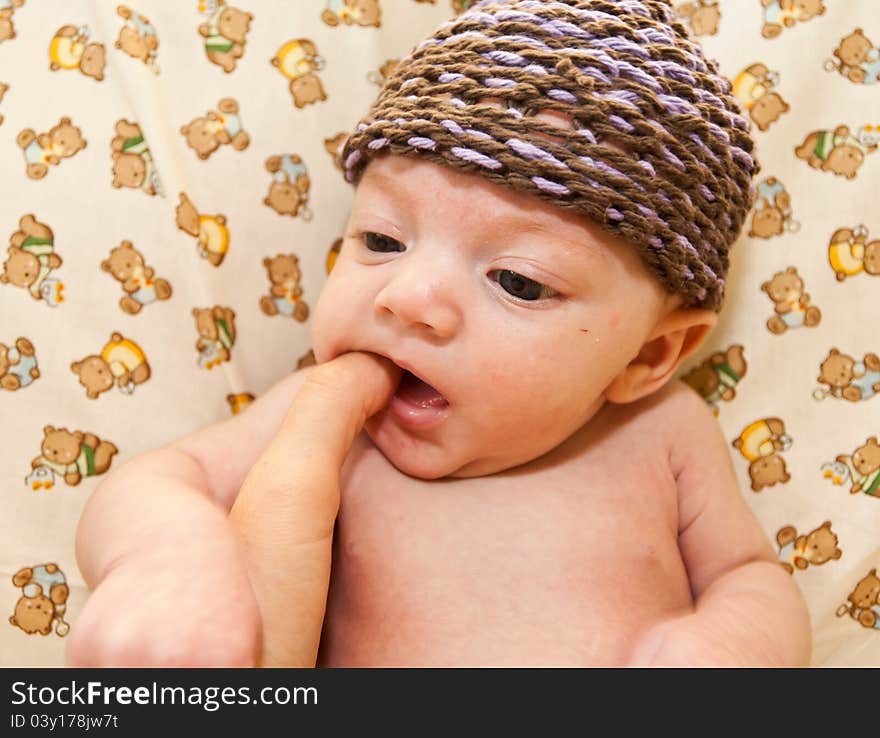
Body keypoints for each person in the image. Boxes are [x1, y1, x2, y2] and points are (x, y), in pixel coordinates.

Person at [67, 0, 811, 667]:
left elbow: (747, 575)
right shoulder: (328, 419)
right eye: (382, 240)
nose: (409, 297)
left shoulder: (663, 433)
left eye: (517, 281)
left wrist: (728, 647)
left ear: (651, 354)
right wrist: (169, 556)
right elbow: (157, 480)